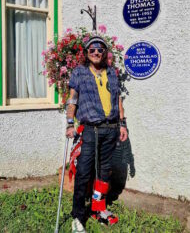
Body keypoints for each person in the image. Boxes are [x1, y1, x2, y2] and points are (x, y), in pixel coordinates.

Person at [65, 35, 128, 232]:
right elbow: (72, 100)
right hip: (90, 131)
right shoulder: (79, 73)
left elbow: (118, 100)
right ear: (86, 53)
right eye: (92, 50)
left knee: (103, 173)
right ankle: (77, 216)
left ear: (105, 53)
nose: (96, 53)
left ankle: (98, 208)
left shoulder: (112, 73)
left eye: (100, 50)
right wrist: (69, 123)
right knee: (83, 172)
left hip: (110, 130)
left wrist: (123, 124)